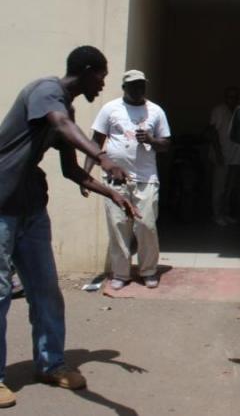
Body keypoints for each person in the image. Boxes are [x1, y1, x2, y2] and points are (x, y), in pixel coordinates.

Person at [0, 46, 137, 408]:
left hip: (30, 209)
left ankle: (50, 364)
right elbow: (60, 125)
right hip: (1, 208)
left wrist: (111, 193)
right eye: (101, 75)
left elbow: (71, 170)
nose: (103, 83)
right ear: (87, 70)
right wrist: (104, 157)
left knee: (46, 290)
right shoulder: (46, 92)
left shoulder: (66, 109)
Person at [83, 70, 171, 290]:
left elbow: (167, 144)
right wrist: (85, 174)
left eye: (141, 85)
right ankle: (121, 273)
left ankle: (148, 270)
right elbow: (95, 142)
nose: (138, 89)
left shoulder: (155, 111)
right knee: (119, 225)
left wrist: (151, 139)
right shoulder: (110, 109)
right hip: (115, 179)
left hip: (146, 178)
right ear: (124, 88)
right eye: (133, 86)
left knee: (146, 225)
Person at [208, 87, 240, 226]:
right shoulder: (219, 110)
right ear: (225, 98)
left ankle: (225, 213)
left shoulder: (238, 111)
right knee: (219, 187)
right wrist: (218, 154)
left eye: (235, 97)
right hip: (221, 155)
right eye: (230, 97)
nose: (232, 100)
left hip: (235, 156)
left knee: (230, 187)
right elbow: (212, 131)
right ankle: (216, 214)